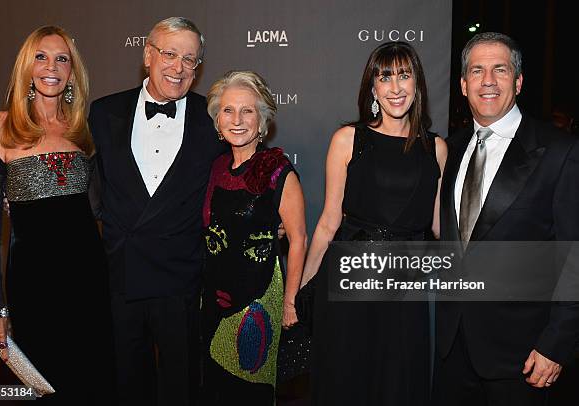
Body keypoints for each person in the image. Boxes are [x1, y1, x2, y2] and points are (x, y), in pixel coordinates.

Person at [433, 32, 579, 405]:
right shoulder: (451, 148)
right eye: (477, 71)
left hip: (525, 355)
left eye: (500, 69)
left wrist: (556, 344)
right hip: (451, 348)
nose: (488, 81)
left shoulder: (560, 152)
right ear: (463, 85)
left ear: (518, 81)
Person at [88, 17, 226, 405]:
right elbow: (83, 181)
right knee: (125, 380)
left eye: (190, 59)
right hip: (121, 274)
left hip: (180, 275)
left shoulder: (213, 119)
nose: (178, 68)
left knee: (181, 384)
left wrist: (272, 217)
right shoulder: (103, 113)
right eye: (169, 54)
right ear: (147, 54)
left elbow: (243, 174)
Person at [301, 41, 447, 405]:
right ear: (373, 88)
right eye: (385, 78)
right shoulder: (349, 140)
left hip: (407, 286)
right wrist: (300, 291)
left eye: (404, 75)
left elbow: (439, 228)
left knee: (399, 383)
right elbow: (328, 222)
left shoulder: (437, 149)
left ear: (417, 84)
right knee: (346, 379)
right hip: (351, 280)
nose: (395, 88)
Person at [0, 25, 114, 403]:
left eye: (61, 58)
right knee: (43, 384)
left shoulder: (82, 129)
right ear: (27, 66)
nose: (50, 66)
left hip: (88, 281)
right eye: (41, 56)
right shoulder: (0, 126)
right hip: (33, 283)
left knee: (92, 382)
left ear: (72, 72)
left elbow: (98, 208)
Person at [200, 70, 307, 405]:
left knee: (250, 389)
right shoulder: (216, 167)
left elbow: (299, 238)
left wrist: (290, 303)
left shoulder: (277, 170)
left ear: (262, 121)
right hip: (213, 298)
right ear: (217, 120)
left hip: (258, 298)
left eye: (248, 111)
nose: (237, 120)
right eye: (228, 110)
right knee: (215, 388)